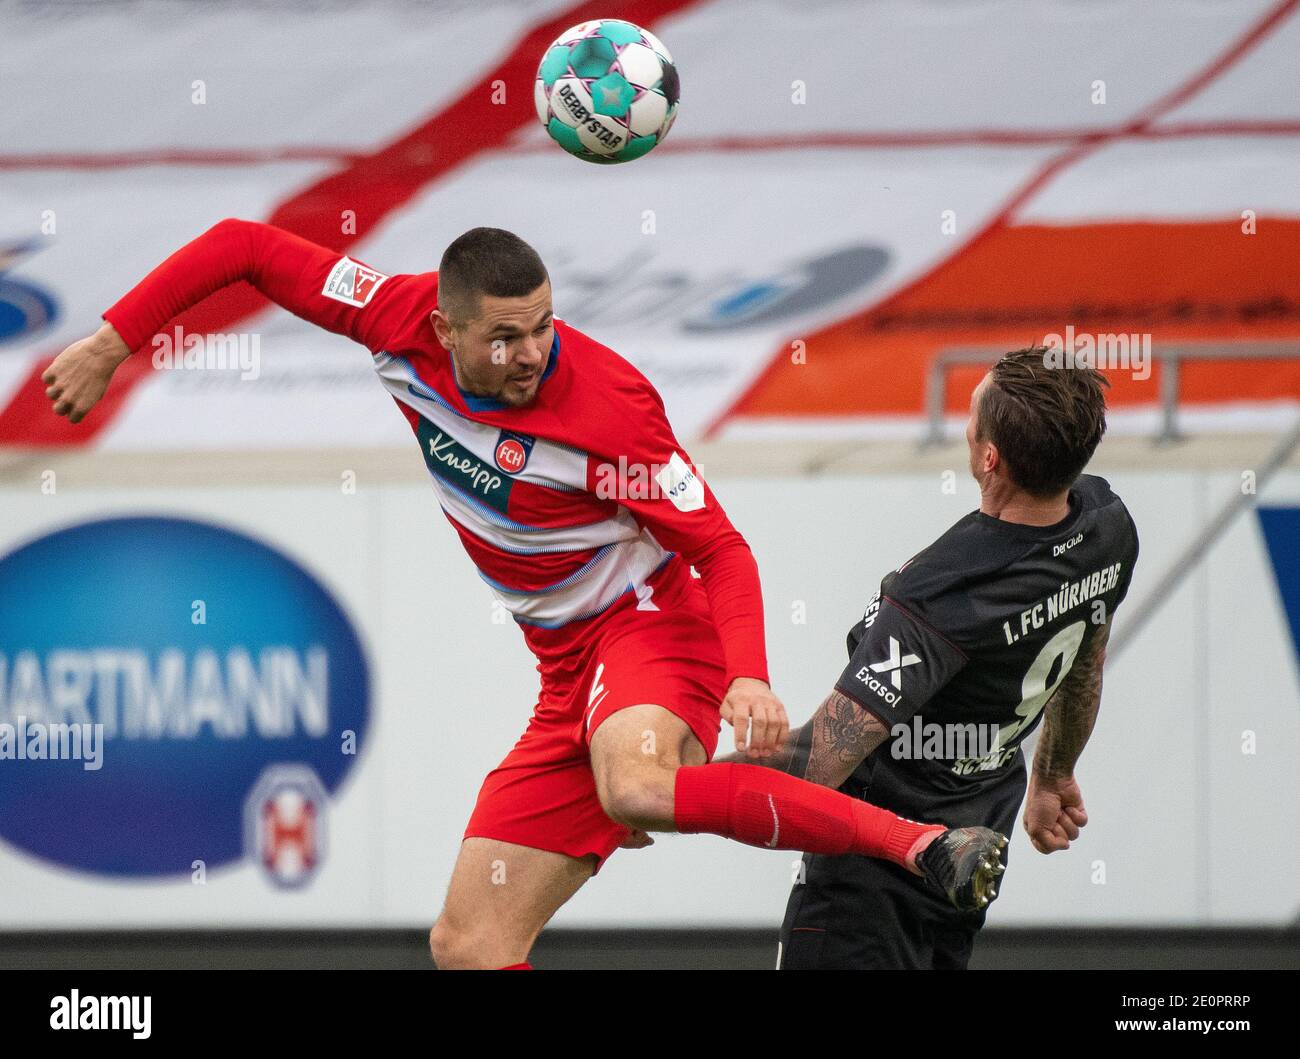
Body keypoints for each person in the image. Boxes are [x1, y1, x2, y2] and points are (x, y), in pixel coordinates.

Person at [42, 218, 1006, 968]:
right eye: (504, 336)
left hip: (650, 630)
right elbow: (244, 247)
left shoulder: (611, 410)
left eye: (543, 324)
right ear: (442, 326)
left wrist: (748, 677)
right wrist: (113, 340)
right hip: (564, 670)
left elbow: (720, 547)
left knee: (632, 781)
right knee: (468, 943)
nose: (532, 350)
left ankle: (922, 843)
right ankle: (674, 770)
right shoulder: (387, 313)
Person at [750, 348, 1139, 969]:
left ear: (990, 458)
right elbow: (1085, 663)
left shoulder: (944, 590)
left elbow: (818, 760)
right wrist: (1054, 770)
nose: (964, 423)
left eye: (972, 412)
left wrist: (669, 784)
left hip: (875, 877)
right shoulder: (1108, 527)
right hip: (973, 850)